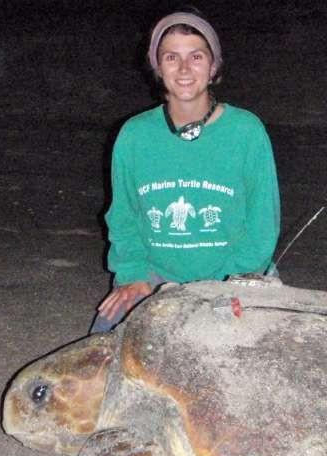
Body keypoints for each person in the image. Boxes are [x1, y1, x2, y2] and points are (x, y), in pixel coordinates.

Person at [90, 11, 281, 333]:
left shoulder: (246, 131)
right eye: (171, 57)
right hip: (156, 275)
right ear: (157, 67)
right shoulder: (134, 135)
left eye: (196, 56)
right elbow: (123, 216)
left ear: (213, 66)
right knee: (102, 349)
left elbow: (262, 226)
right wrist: (133, 275)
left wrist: (227, 284)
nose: (183, 69)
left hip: (236, 277)